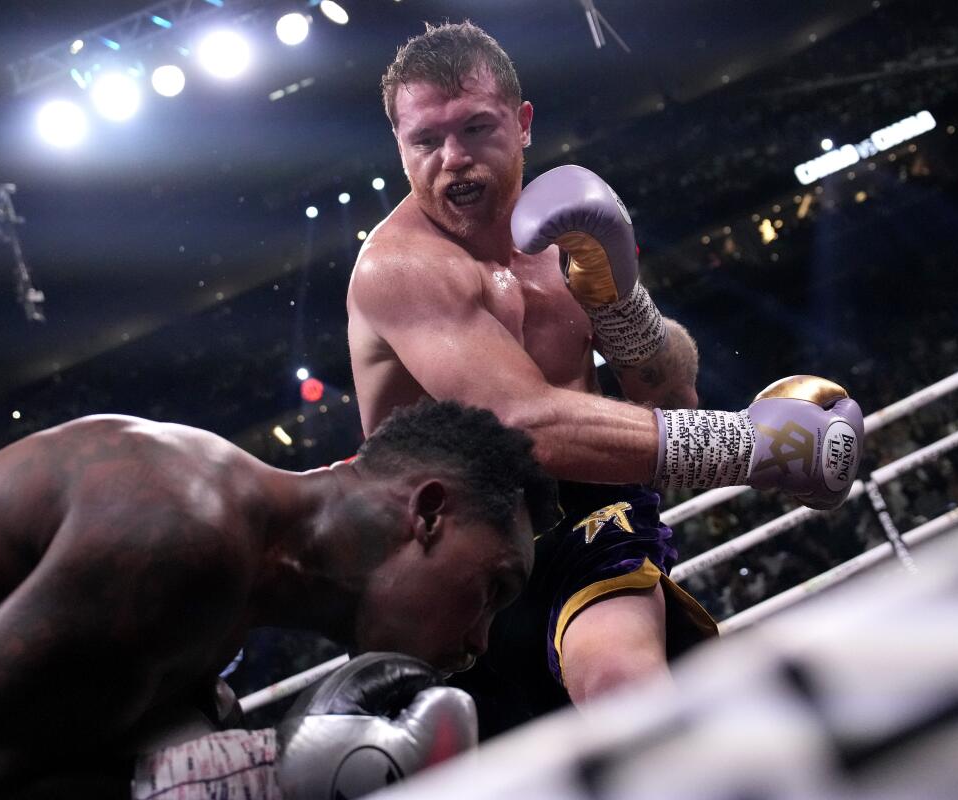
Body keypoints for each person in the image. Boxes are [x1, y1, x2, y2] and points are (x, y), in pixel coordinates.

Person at [347, 21, 863, 735]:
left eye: (476, 128)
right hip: (440, 557)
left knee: (628, 692)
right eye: (426, 142)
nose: (454, 160)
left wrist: (622, 307)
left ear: (523, 124)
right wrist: (756, 447)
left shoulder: (566, 230)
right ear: (399, 147)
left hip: (585, 516)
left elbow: (669, 396)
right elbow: (523, 425)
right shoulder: (397, 268)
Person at [0, 400, 559, 799]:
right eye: (492, 589)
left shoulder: (214, 619)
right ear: (426, 513)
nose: (480, 641)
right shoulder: (182, 530)